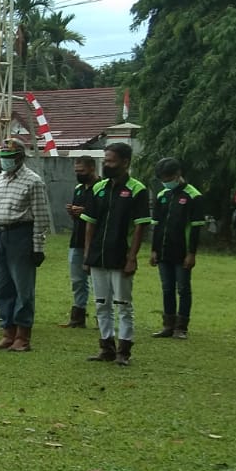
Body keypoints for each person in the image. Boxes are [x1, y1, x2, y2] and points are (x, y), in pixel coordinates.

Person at [81, 142, 151, 366]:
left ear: (125, 162)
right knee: (101, 302)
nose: (106, 164)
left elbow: (140, 226)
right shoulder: (98, 188)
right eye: (105, 160)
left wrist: (132, 257)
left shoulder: (137, 190)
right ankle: (106, 347)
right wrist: (87, 254)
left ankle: (124, 350)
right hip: (98, 256)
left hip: (121, 255)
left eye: (111, 161)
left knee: (123, 304)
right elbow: (90, 224)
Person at [0, 137, 51, 352]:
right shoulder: (0, 179)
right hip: (1, 235)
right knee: (2, 287)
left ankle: (23, 335)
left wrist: (37, 248)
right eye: (2, 157)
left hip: (21, 235)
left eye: (9, 157)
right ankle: (8, 331)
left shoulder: (33, 181)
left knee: (23, 288)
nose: (5, 161)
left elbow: (41, 217)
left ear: (20, 157)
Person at [149, 157, 203, 340]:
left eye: (167, 178)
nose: (165, 182)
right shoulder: (162, 196)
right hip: (164, 251)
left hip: (182, 252)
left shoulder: (193, 196)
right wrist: (154, 250)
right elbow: (156, 225)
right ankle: (168, 325)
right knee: (167, 288)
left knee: (183, 289)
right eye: (162, 179)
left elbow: (195, 228)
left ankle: (182, 327)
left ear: (177, 174)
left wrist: (191, 253)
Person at [62, 156, 98, 328]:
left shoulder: (102, 188)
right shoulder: (78, 189)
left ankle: (102, 316)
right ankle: (78, 315)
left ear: (92, 168)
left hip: (97, 240)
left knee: (97, 281)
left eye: (81, 171)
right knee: (77, 280)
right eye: (76, 171)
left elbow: (103, 213)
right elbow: (80, 216)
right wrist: (73, 212)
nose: (78, 174)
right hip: (77, 239)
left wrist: (85, 211)